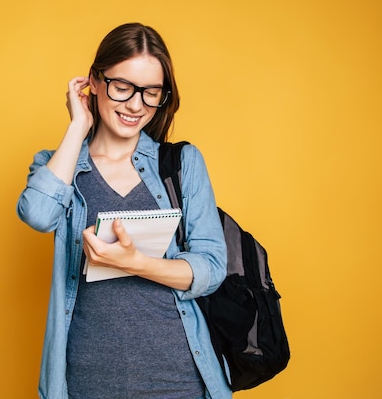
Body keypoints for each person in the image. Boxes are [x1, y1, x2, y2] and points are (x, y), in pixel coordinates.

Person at [17, 23, 231, 399]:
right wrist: (78, 126)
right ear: (94, 82)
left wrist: (136, 263)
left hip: (179, 381)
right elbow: (37, 214)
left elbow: (212, 269)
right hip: (87, 381)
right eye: (122, 87)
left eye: (151, 93)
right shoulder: (60, 167)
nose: (136, 105)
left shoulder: (181, 164)